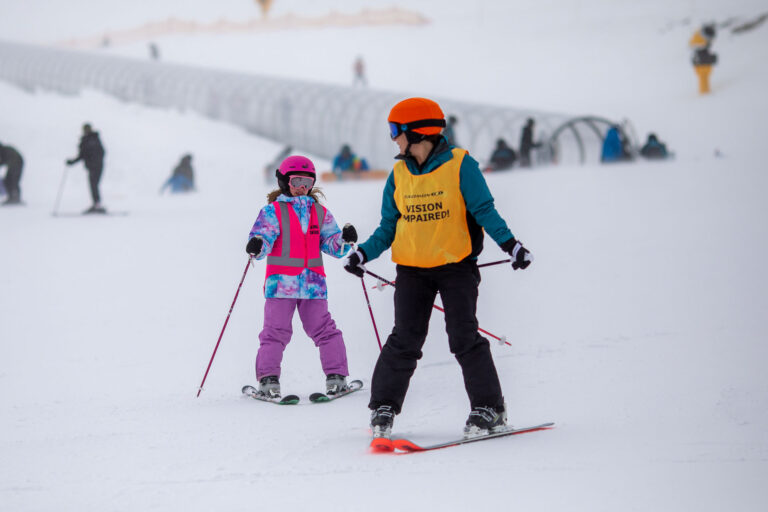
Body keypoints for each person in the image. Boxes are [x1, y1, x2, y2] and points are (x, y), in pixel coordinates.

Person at [343, 97, 533, 440]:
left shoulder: (461, 165)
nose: (392, 139)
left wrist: (512, 245)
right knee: (404, 339)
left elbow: (484, 210)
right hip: (412, 271)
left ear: (416, 132)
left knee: (464, 337)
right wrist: (363, 255)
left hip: (456, 268)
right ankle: (383, 406)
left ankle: (490, 408)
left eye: (394, 131)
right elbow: (389, 227)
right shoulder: (399, 174)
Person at [246, 155, 358, 398]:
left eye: (307, 182)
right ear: (284, 182)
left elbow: (332, 245)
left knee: (325, 330)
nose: (302, 187)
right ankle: (268, 380)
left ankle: (336, 377)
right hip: (281, 285)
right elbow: (263, 239)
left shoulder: (319, 212)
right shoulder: (273, 211)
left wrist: (344, 240)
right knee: (275, 332)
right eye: (296, 181)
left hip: (313, 285)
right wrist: (257, 245)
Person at [66, 123, 106, 213]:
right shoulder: (93, 139)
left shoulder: (89, 140)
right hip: (97, 166)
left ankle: (97, 204)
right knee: (94, 185)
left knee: (93, 184)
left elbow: (83, 155)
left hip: (95, 166)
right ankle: (97, 203)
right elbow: (84, 154)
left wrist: (94, 161)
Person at [689, 24, 717, 94]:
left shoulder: (699, 39)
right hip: (701, 63)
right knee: (703, 77)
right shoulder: (698, 41)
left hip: (703, 62)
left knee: (705, 76)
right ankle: (704, 93)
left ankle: (705, 92)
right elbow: (694, 46)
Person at [0, 141, 24, 205]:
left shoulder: (4, 151)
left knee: (11, 180)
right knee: (10, 180)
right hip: (16, 163)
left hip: (16, 164)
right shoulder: (5, 149)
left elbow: (3, 160)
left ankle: (14, 197)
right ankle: (13, 197)